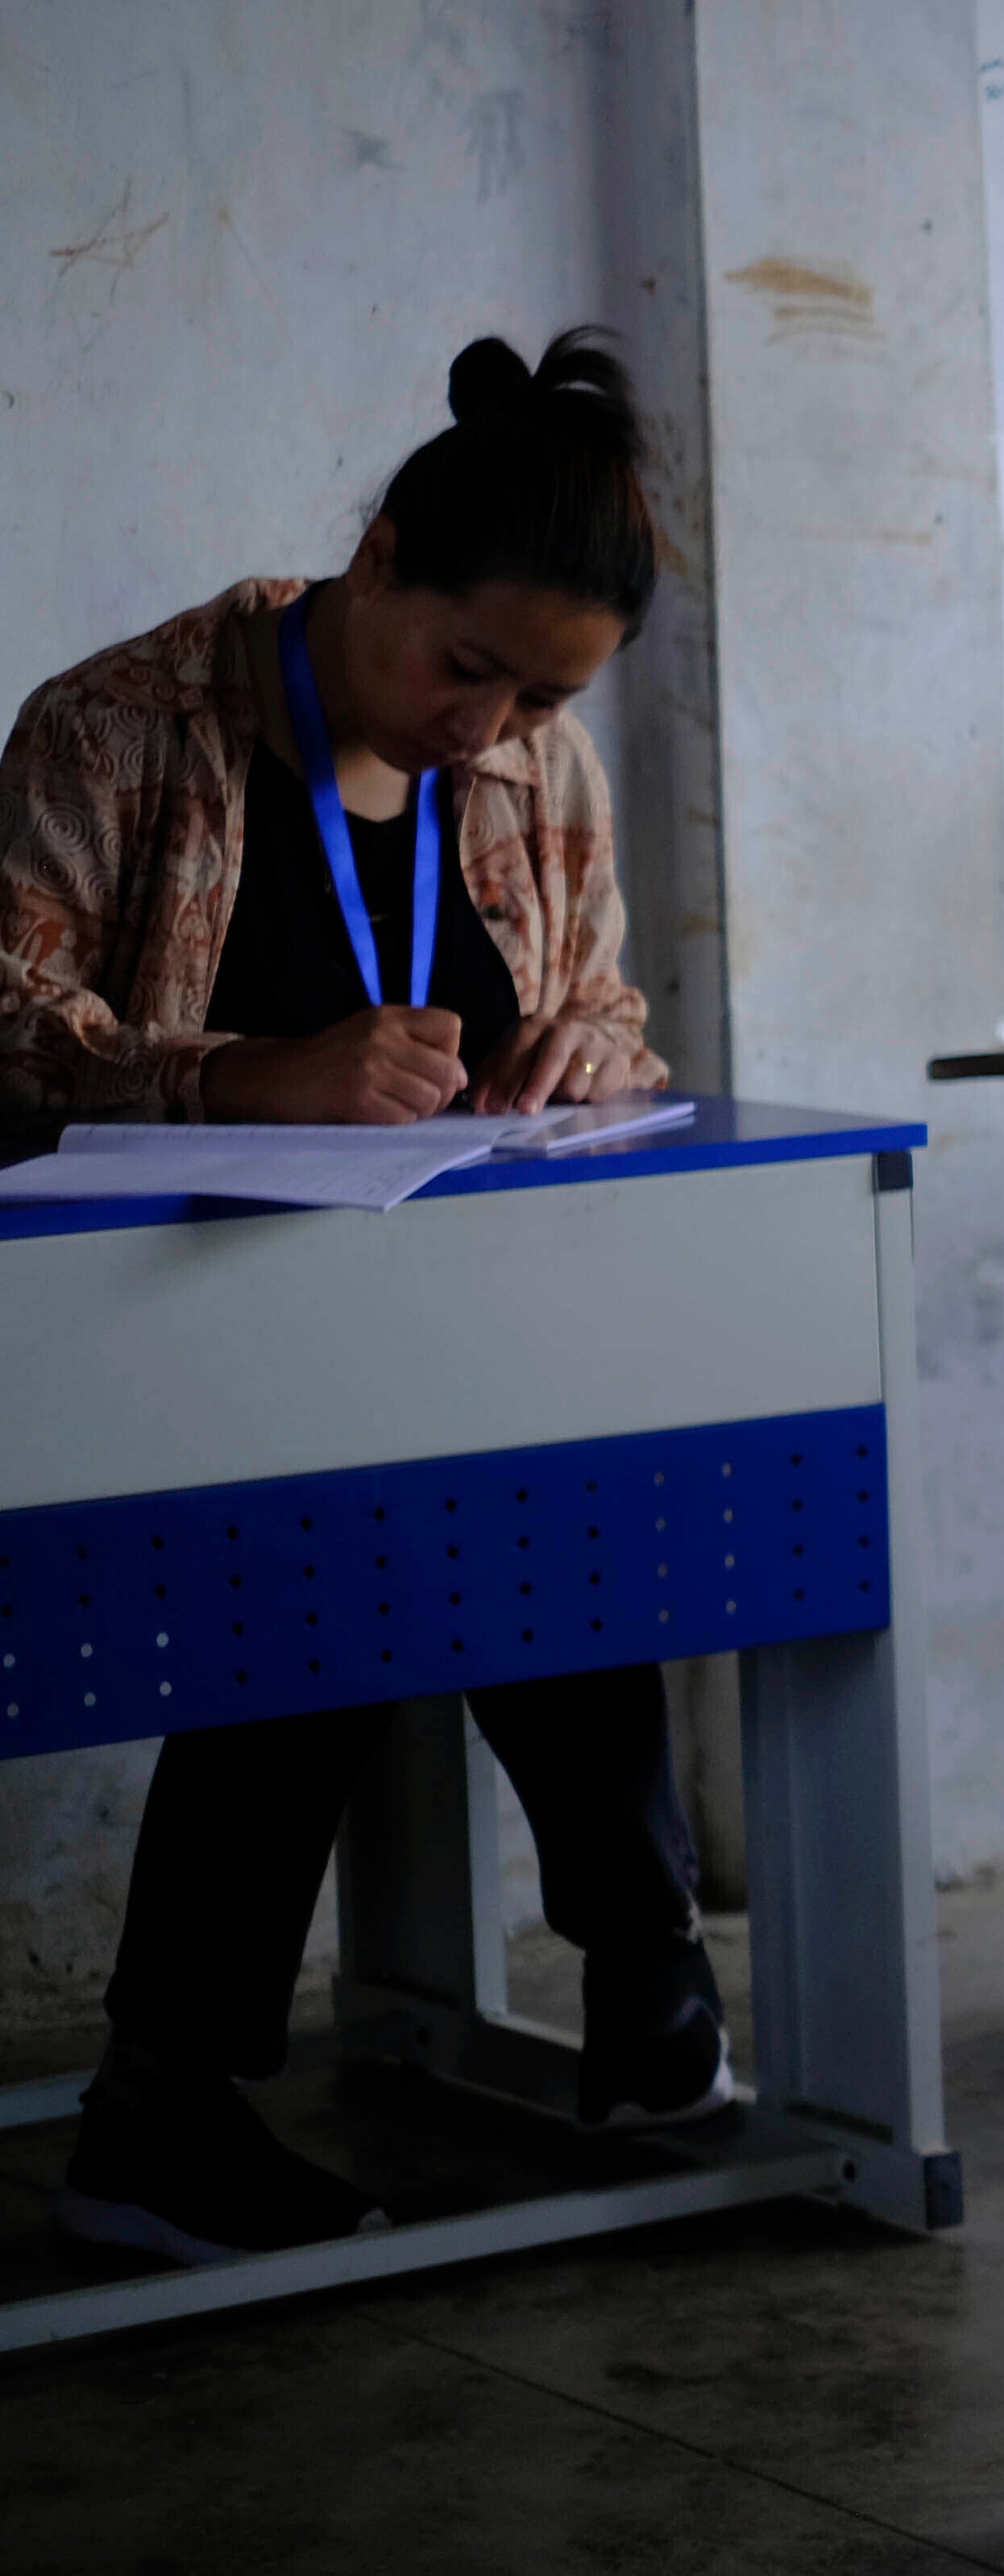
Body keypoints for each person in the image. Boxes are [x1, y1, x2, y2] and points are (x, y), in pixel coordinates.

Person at [0, 330, 718, 2267]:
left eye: (545, 695)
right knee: (330, 1545)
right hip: (153, 1339)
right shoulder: (122, 728)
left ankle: (640, 1957)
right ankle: (165, 2103)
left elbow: (603, 995)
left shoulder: (535, 765)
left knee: (553, 1484)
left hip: (441, 1340)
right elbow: (4, 1027)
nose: (494, 727)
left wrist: (588, 1050)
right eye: (468, 668)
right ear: (377, 558)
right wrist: (246, 1073)